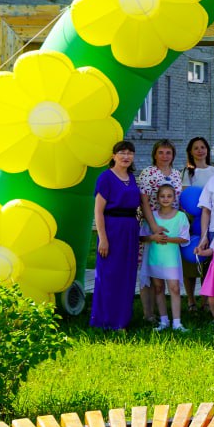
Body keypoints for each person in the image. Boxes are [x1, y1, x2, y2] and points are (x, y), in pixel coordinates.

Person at [92, 140, 142, 331]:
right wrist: (103, 238)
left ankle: (122, 320)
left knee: (126, 275)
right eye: (122, 152)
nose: (126, 156)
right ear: (113, 156)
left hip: (130, 230)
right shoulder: (105, 178)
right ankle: (105, 321)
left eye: (130, 152)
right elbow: (98, 211)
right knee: (109, 274)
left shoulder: (131, 177)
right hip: (112, 229)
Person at [137, 139, 182, 324]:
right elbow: (144, 200)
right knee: (149, 268)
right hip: (152, 224)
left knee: (166, 267)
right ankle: (149, 313)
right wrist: (153, 225)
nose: (165, 156)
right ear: (155, 154)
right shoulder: (148, 173)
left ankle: (170, 314)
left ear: (173, 155)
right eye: (161, 152)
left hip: (171, 225)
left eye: (168, 152)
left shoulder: (177, 174)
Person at [180, 136, 214, 311]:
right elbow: (185, 198)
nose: (200, 150)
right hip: (191, 222)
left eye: (203, 147)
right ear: (190, 151)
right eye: (196, 147)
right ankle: (190, 301)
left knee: (207, 263)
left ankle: (205, 300)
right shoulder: (187, 172)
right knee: (190, 263)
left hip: (211, 222)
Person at [145, 184, 190, 332]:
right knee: (158, 288)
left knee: (174, 288)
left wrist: (168, 239)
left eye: (169, 196)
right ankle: (164, 321)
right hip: (155, 257)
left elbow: (184, 238)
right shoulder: (153, 217)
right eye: (162, 196)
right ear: (157, 198)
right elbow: (142, 236)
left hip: (171, 259)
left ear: (174, 198)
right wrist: (153, 237)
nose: (166, 199)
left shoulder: (180, 216)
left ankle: (177, 323)